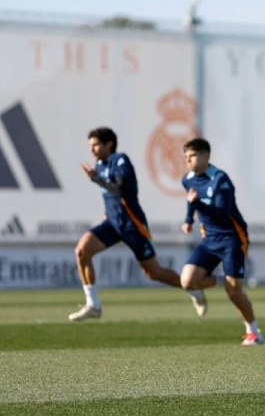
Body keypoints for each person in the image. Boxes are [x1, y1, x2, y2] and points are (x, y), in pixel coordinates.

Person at [70, 127, 193, 321]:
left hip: (132, 224)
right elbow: (110, 197)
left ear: (109, 144)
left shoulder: (120, 160)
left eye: (95, 145)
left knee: (153, 272)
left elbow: (120, 190)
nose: (91, 149)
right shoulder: (100, 165)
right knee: (81, 251)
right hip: (112, 224)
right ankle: (93, 304)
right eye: (90, 146)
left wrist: (96, 179)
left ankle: (191, 287)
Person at [179, 137, 263, 346]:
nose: (188, 160)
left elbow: (222, 214)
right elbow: (191, 198)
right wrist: (188, 220)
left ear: (206, 156)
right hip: (209, 238)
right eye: (186, 156)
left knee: (234, 292)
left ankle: (253, 332)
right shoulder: (187, 178)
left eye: (192, 156)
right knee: (187, 281)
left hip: (232, 239)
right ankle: (217, 283)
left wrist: (197, 203)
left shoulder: (220, 180)